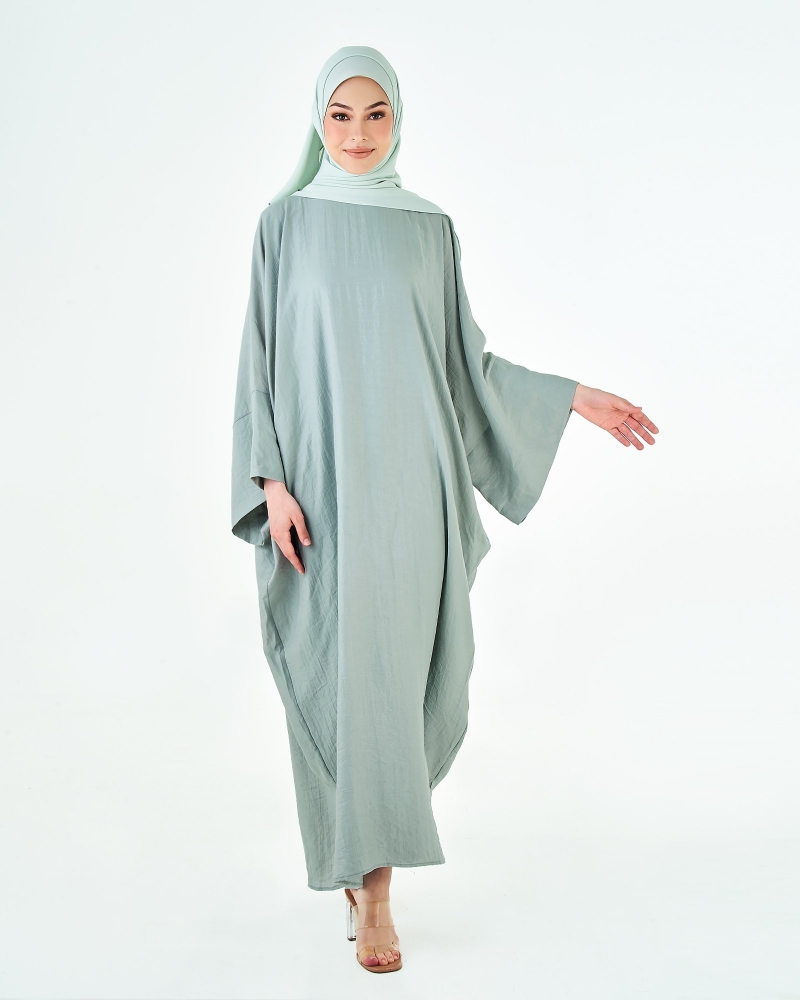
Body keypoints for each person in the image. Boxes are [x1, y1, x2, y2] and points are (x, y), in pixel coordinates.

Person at [230, 45, 658, 974]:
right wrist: (270, 483)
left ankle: (375, 888)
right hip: (320, 496)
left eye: (375, 114)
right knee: (342, 677)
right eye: (340, 115)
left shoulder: (430, 229)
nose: (357, 134)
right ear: (317, 121)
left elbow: (465, 366)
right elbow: (257, 359)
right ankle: (364, 879)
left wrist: (572, 397)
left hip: (411, 498)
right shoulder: (284, 224)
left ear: (398, 121)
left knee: (392, 683)